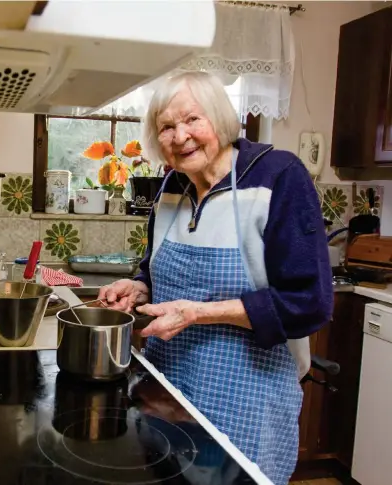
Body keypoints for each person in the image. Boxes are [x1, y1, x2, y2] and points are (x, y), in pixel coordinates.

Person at [99, 71, 333, 485]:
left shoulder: (277, 177)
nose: (180, 136)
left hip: (247, 401)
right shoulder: (172, 184)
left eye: (192, 119)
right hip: (167, 391)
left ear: (220, 119)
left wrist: (198, 313)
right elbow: (157, 268)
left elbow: (309, 302)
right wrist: (139, 287)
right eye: (167, 127)